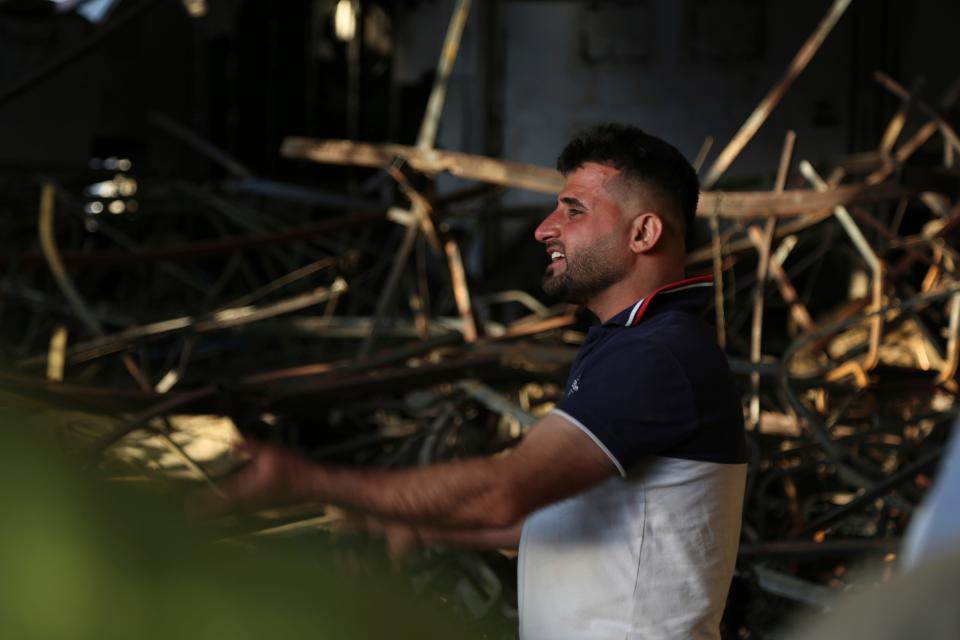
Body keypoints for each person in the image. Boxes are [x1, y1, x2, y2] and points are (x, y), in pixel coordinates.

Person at [194, 123, 747, 640]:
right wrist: (417, 522)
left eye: (573, 210)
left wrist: (305, 480)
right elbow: (549, 517)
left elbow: (505, 493)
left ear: (644, 232)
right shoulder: (628, 342)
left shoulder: (658, 353)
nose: (543, 228)